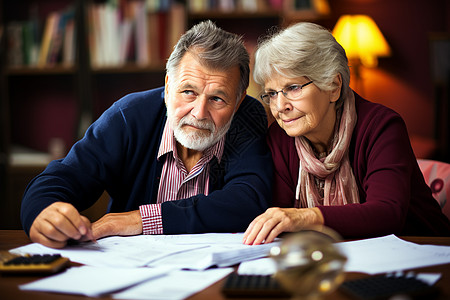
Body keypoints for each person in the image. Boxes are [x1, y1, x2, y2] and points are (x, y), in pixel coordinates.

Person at [21, 20, 272, 249]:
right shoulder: (129, 115)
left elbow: (247, 200)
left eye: (217, 98)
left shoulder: (246, 117)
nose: (199, 113)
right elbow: (61, 179)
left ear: (238, 102)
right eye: (188, 92)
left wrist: (140, 219)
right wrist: (42, 213)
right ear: (167, 86)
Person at [243, 22, 450, 245]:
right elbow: (280, 216)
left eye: (293, 88)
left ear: (333, 86)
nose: (280, 106)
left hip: (423, 253)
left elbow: (388, 213)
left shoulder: (382, 126)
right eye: (272, 93)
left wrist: (306, 216)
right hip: (339, 256)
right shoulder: (280, 136)